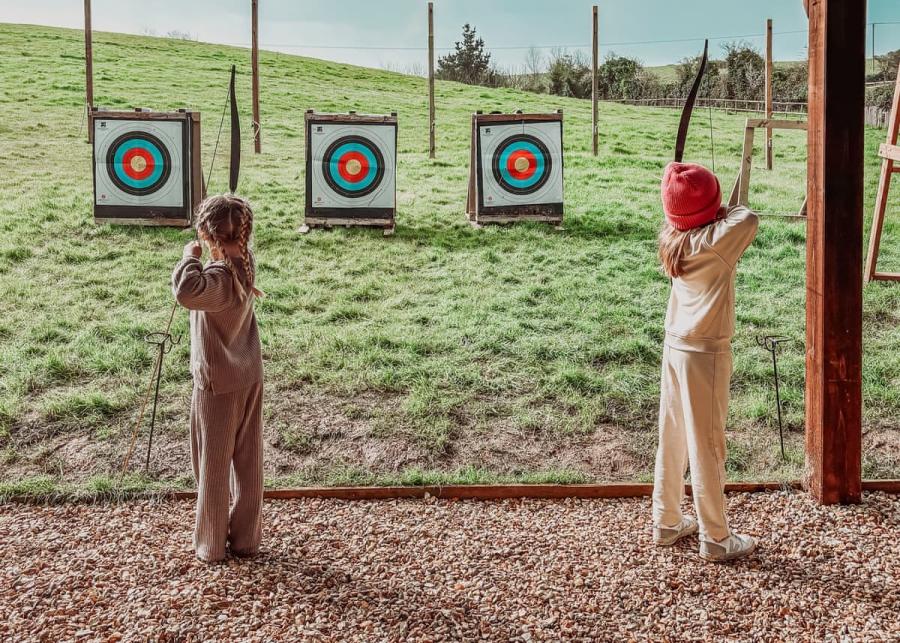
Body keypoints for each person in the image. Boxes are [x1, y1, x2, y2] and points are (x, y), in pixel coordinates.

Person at [651, 162, 759, 562]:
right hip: (705, 353)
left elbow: (695, 216)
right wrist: (718, 209)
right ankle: (715, 537)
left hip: (675, 346)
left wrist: (700, 209)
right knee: (708, 444)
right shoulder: (715, 241)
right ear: (709, 212)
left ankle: (666, 521)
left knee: (673, 434)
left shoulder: (673, 237)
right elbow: (748, 216)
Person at [172, 194, 265, 563]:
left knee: (212, 464)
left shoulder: (216, 280)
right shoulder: (244, 263)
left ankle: (211, 546)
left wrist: (189, 255)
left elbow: (184, 291)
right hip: (249, 376)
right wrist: (208, 247)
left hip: (217, 386)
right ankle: (246, 541)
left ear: (209, 235)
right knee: (248, 459)